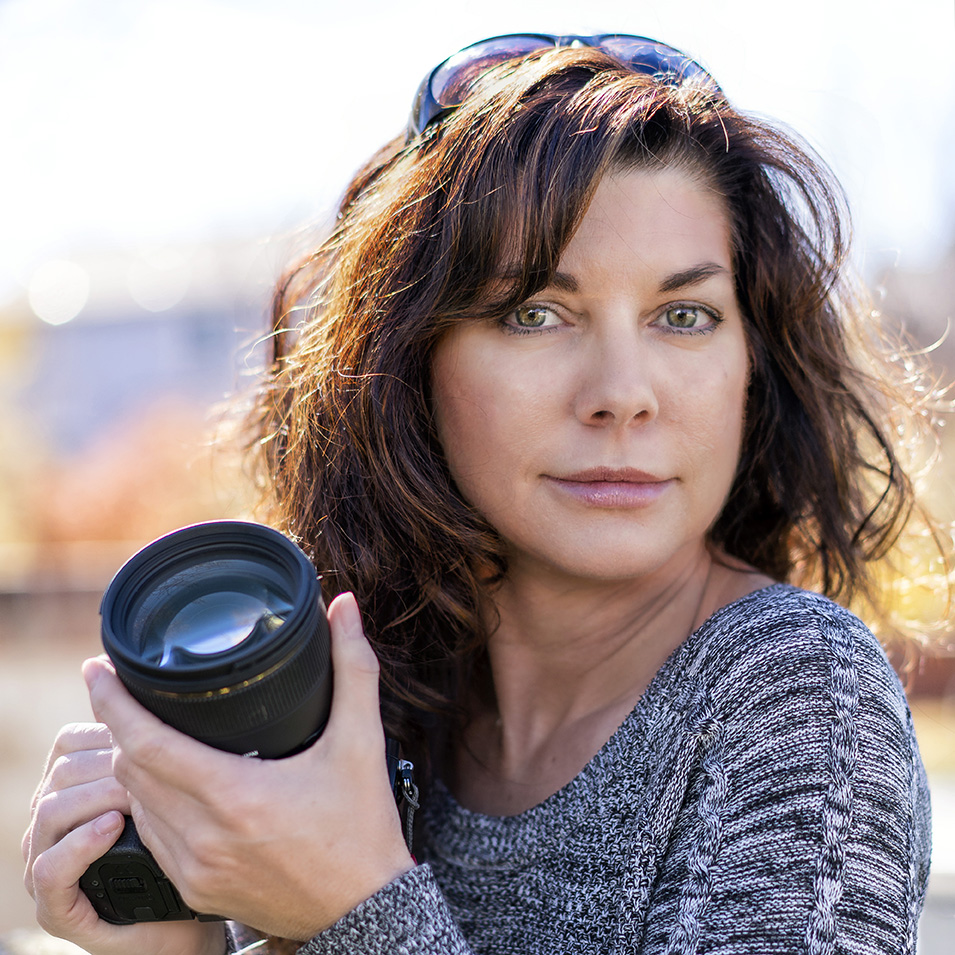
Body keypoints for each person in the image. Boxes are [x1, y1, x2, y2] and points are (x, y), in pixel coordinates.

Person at [22, 33, 953, 955]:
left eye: (684, 315)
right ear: (408, 360)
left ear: (754, 363)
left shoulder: (793, 686)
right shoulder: (359, 708)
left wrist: (354, 904)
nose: (622, 392)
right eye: (534, 314)